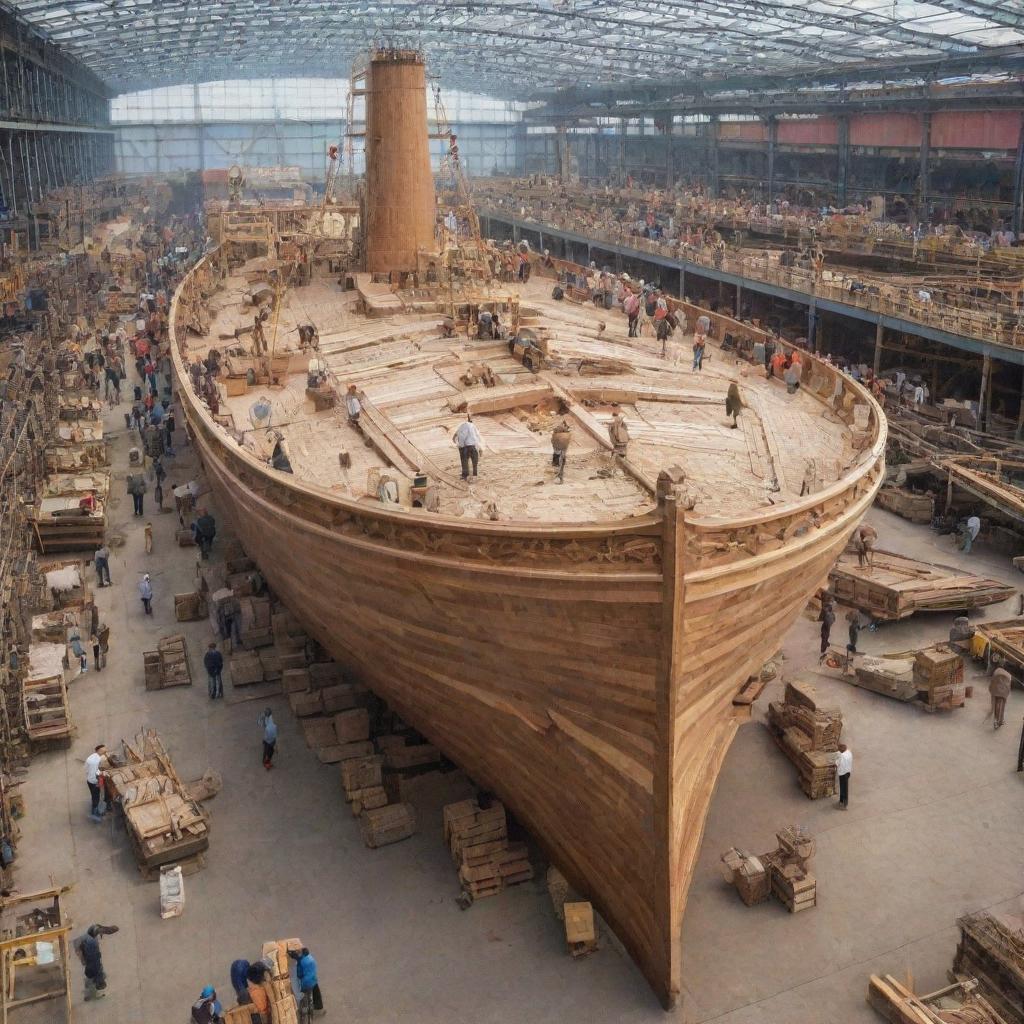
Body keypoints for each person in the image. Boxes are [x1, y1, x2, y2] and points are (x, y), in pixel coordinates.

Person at [74, 924, 118, 1000]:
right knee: (92, 974)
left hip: (93, 957)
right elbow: (80, 950)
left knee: (92, 974)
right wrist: (82, 958)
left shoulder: (90, 938)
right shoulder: (88, 940)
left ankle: (90, 994)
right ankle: (90, 994)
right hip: (91, 958)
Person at [288, 947, 324, 1016]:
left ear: (303, 954)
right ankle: (316, 1008)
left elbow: (299, 974)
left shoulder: (302, 962)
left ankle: (304, 1013)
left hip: (306, 983)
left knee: (304, 997)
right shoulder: (310, 957)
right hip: (313, 980)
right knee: (313, 995)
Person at [452, 415, 483, 480]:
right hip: (474, 446)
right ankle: (474, 475)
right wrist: (480, 448)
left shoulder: (464, 425)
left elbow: (462, 436)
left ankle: (465, 475)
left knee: (464, 461)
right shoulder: (473, 426)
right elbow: (478, 436)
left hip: (466, 447)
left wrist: (461, 445)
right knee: (474, 462)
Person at [85, 744, 107, 822]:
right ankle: (94, 815)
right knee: (96, 798)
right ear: (98, 750)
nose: (104, 751)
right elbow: (96, 773)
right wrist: (103, 773)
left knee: (93, 795)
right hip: (94, 782)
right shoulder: (97, 760)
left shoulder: (90, 757)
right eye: (103, 750)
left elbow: (87, 769)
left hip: (89, 780)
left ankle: (95, 809)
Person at [834, 743, 852, 809]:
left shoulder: (841, 756)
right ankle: (841, 801)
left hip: (842, 774)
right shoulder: (849, 753)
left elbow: (836, 763)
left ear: (841, 750)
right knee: (844, 787)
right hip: (848, 772)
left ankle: (845, 805)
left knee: (843, 788)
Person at [818, 596, 835, 660]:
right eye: (832, 602)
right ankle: (823, 650)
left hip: (827, 624)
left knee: (826, 635)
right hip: (826, 624)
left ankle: (826, 643)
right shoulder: (826, 609)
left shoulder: (828, 607)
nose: (832, 603)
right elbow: (822, 617)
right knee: (824, 636)